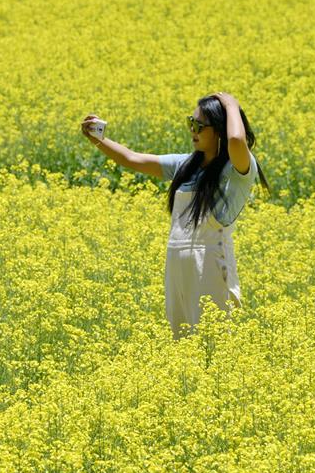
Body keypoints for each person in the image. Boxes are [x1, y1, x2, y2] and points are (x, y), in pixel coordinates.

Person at [81, 92, 270, 340]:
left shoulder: (236, 169)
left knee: (213, 343)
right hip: (177, 266)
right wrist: (96, 139)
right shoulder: (187, 165)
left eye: (199, 126)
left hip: (211, 264)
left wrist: (232, 105)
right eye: (190, 123)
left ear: (220, 130)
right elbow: (132, 159)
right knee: (183, 343)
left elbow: (235, 139)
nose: (192, 130)